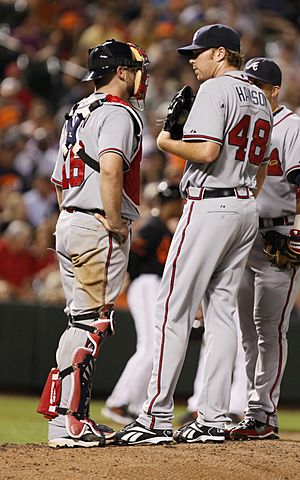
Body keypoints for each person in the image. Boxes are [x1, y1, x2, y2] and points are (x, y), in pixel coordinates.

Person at [115, 23, 273, 446]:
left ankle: (155, 415)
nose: (192, 60)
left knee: (172, 308)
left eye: (198, 53)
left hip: (210, 205)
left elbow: (205, 152)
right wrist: (243, 202)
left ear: (221, 54)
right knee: (221, 315)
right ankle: (215, 417)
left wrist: (168, 137)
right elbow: (259, 170)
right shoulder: (260, 96)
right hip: (244, 207)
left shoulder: (216, 90)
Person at [37, 39, 150, 448]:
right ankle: (72, 422)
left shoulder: (80, 109)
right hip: (96, 224)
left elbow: (57, 177)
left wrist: (74, 216)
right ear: (121, 71)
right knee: (90, 324)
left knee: (79, 321)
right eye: (136, 69)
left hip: (70, 219)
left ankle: (63, 421)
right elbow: (110, 168)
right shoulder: (118, 112)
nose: (141, 76)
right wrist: (115, 222)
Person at [230, 58, 300, 440]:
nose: (252, 90)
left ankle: (264, 414)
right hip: (246, 236)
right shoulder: (249, 125)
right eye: (248, 82)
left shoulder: (292, 127)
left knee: (269, 329)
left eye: (259, 84)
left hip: (279, 238)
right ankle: (252, 411)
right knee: (246, 332)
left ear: (275, 90)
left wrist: (298, 232)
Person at [102, 180, 184, 424]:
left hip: (153, 284)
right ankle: (119, 402)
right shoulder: (151, 225)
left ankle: (134, 404)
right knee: (150, 346)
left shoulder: (159, 225)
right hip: (147, 283)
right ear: (174, 201)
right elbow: (133, 254)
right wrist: (127, 276)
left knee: (154, 348)